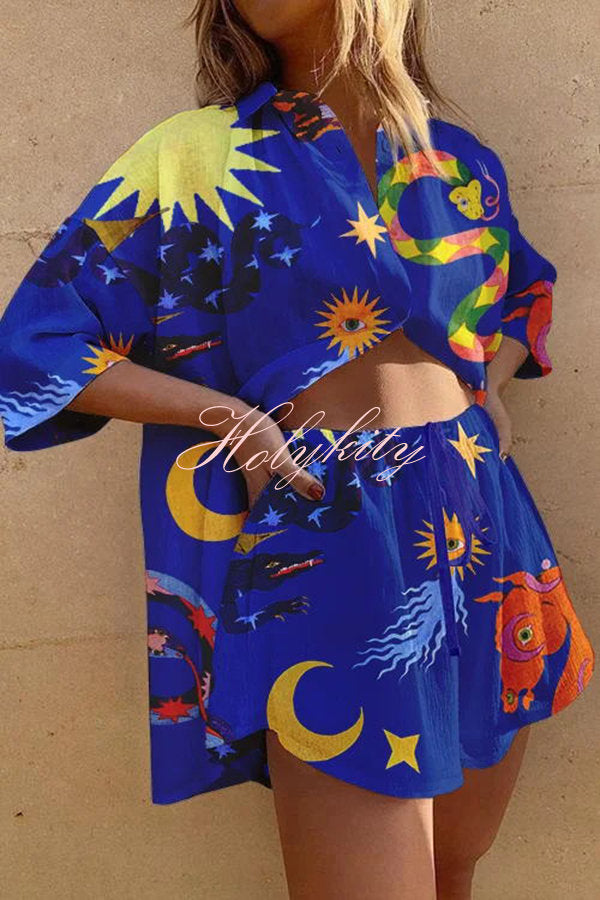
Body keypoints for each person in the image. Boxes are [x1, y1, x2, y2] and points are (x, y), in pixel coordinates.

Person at [0, 1, 595, 897]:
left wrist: (490, 390)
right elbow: (38, 344)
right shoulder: (195, 157)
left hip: (487, 529)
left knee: (455, 867)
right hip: (332, 531)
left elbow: (522, 292)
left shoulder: (459, 161)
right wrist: (226, 418)